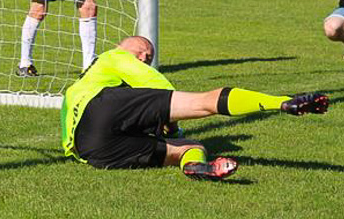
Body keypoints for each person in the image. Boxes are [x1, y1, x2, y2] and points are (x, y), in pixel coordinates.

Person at [61, 36, 329, 180]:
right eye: (144, 52)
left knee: (192, 148)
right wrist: (173, 125)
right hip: (101, 107)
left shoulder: (77, 87)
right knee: (204, 102)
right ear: (129, 48)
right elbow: (163, 90)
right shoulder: (115, 57)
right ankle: (283, 102)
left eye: (148, 57)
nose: (146, 57)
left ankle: (197, 168)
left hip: (91, 151)